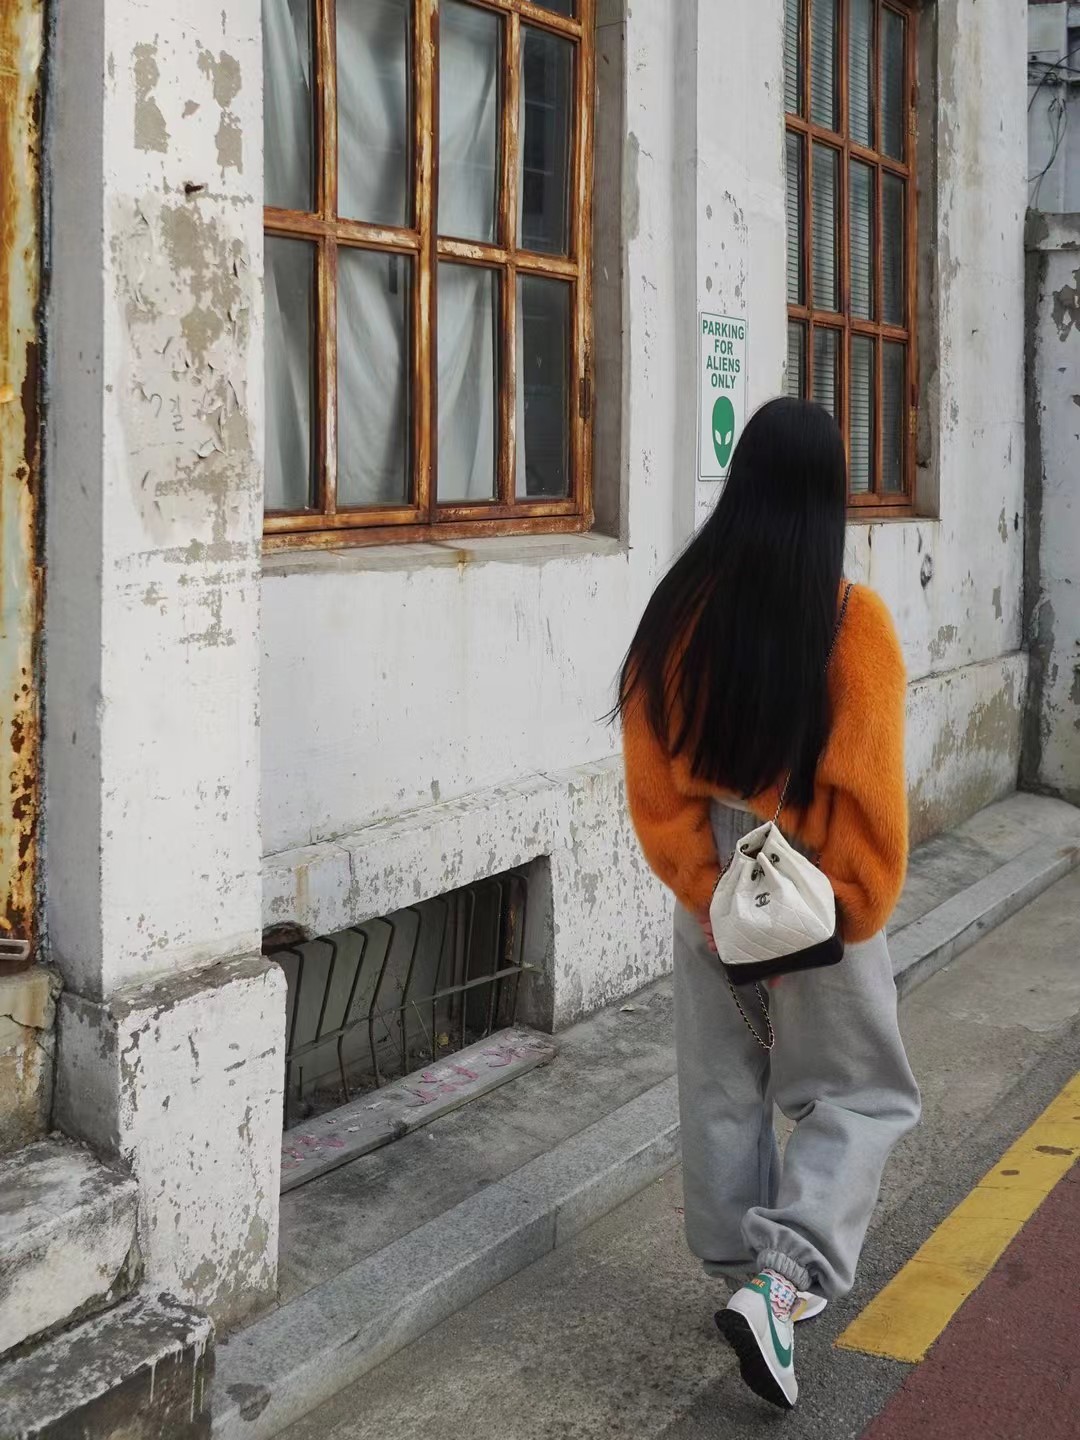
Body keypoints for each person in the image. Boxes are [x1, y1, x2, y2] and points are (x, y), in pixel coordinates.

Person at [617, 397, 921, 1411]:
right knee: (862, 1092)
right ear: (829, 498)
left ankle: (741, 1277)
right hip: (814, 884)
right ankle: (782, 1283)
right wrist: (849, 911)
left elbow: (652, 781)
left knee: (722, 1082)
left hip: (712, 872)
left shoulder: (677, 613)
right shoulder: (851, 624)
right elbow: (870, 806)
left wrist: (706, 888)